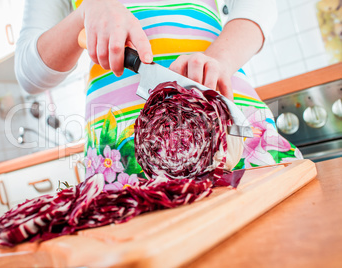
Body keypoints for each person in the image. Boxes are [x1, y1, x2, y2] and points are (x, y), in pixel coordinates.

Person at [15, 0, 303, 190]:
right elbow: (30, 72)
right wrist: (86, 12)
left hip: (231, 130)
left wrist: (219, 59)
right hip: (122, 157)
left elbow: (259, 6)